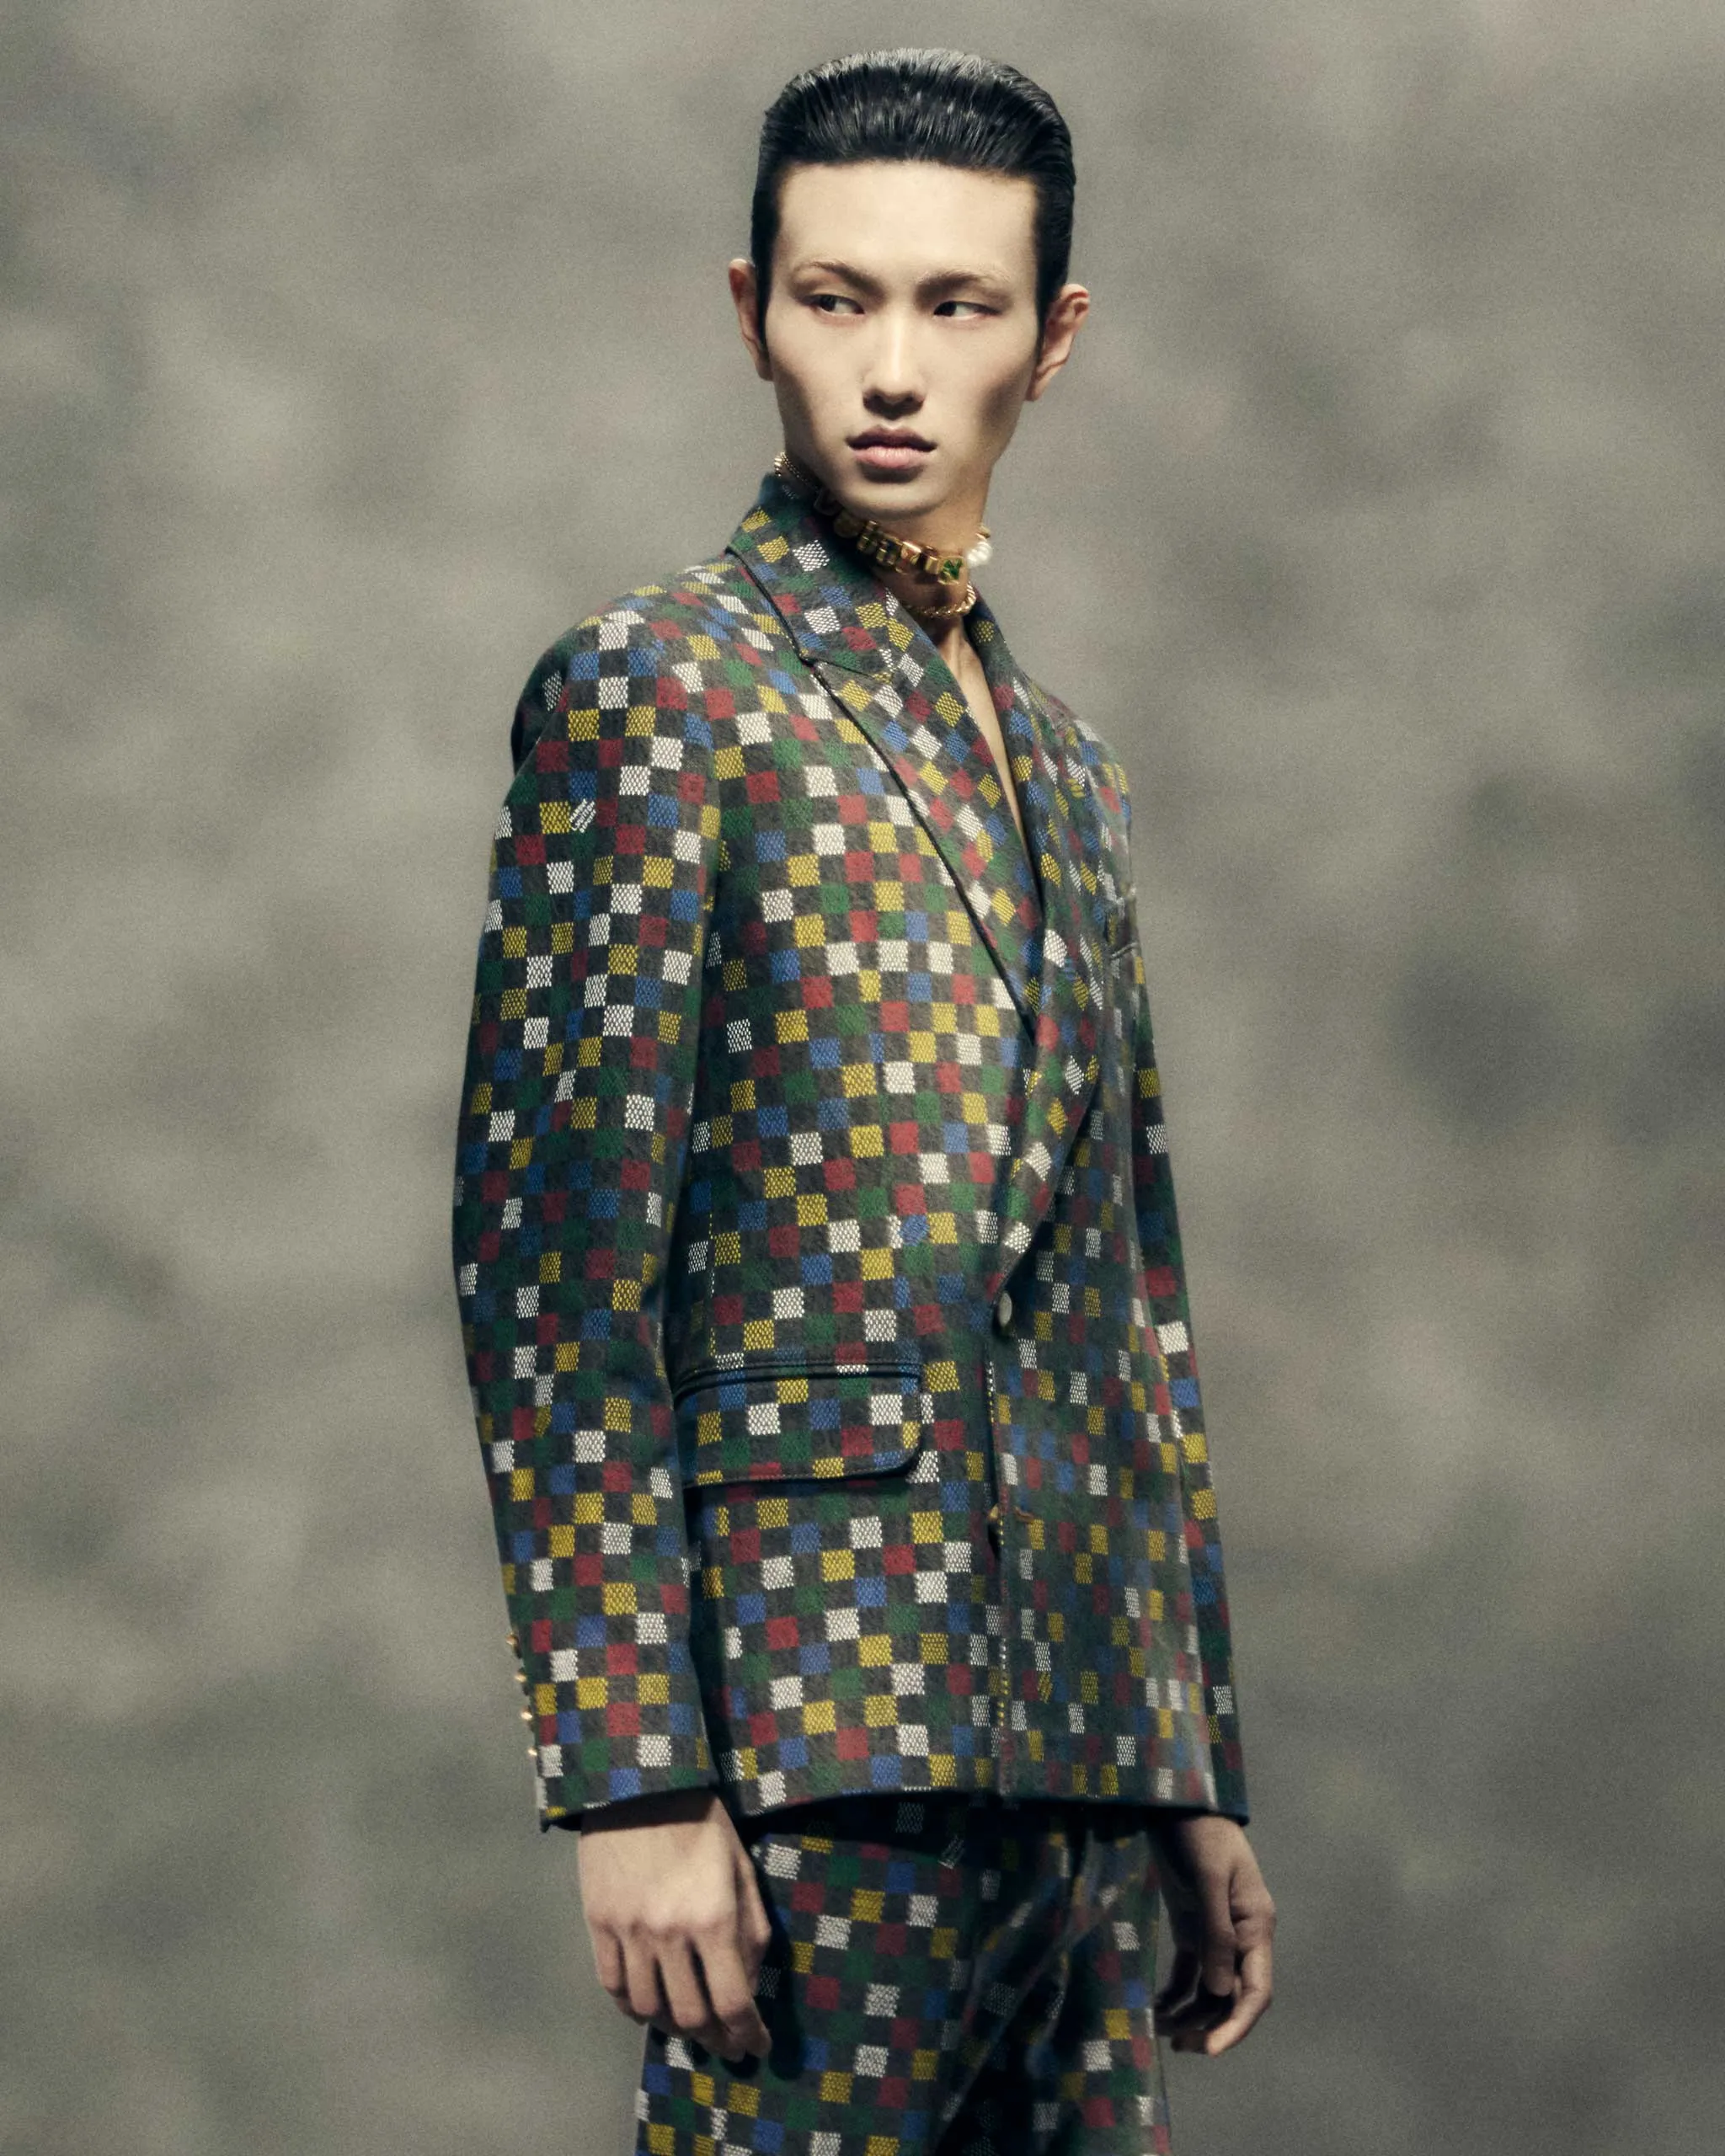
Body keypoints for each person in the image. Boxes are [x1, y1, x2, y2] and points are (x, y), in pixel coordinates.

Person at [451, 45, 1274, 2153]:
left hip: (1077, 1752)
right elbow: (553, 1271)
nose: (891, 368)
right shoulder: (659, 690)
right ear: (753, 314)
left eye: (955, 303)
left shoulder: (1067, 765)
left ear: (1049, 339)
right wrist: (632, 1775)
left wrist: (1183, 1761)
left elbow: (1125, 1286)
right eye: (836, 299)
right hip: (806, 1737)